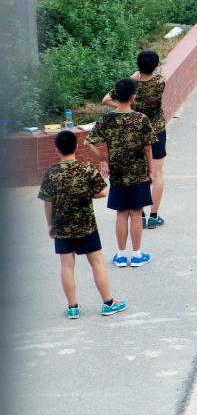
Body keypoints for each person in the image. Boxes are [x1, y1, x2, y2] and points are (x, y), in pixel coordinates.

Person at [40, 131, 127, 319]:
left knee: (67, 266)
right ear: (76, 147)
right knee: (97, 263)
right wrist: (88, 194)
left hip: (62, 227)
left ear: (57, 150)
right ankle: (108, 303)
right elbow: (103, 192)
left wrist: (50, 225)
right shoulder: (86, 169)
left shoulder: (51, 173)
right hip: (86, 225)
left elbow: (47, 203)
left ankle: (72, 307)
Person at [86, 78, 155, 269]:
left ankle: (121, 254)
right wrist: (151, 170)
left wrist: (103, 159)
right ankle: (137, 254)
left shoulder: (107, 119)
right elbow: (148, 148)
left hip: (117, 173)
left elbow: (88, 142)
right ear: (133, 97)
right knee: (136, 213)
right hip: (139, 174)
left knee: (121, 213)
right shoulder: (141, 119)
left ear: (116, 95)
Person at [103, 50, 167, 229]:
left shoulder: (132, 86)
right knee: (157, 173)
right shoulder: (160, 82)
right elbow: (159, 71)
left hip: (134, 131)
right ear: (155, 66)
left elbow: (106, 99)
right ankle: (154, 216)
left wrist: (124, 106)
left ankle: (141, 213)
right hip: (157, 130)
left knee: (141, 174)